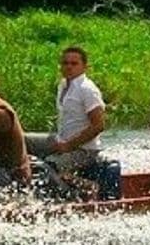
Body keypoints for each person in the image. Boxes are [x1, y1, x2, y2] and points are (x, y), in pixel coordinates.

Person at [25, 46, 106, 183]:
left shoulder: (87, 89)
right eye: (65, 63)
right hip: (61, 139)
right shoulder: (63, 85)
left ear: (84, 67)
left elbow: (98, 125)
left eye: (74, 64)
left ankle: (77, 189)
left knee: (47, 166)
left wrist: (68, 146)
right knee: (22, 139)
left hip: (84, 150)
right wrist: (63, 143)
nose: (69, 67)